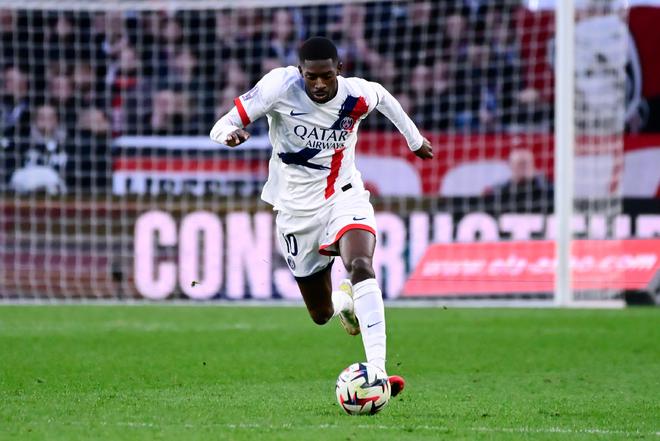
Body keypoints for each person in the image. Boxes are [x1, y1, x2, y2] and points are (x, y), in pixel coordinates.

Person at [210, 37, 433, 398]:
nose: (318, 84)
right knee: (321, 313)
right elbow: (222, 123)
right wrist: (227, 134)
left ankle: (378, 371)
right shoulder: (279, 86)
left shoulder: (355, 95)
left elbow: (384, 98)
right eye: (311, 76)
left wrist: (414, 140)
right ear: (300, 71)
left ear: (338, 70)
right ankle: (345, 302)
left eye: (326, 76)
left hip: (343, 195)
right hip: (295, 212)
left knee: (361, 264)